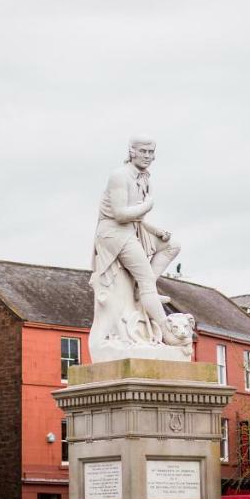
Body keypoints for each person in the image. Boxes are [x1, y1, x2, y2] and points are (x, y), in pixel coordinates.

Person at [88, 137, 184, 353]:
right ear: (131, 151)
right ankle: (166, 331)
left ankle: (143, 290)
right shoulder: (119, 176)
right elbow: (121, 214)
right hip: (114, 234)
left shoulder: (144, 178)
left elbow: (136, 216)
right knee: (147, 278)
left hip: (132, 230)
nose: (148, 156)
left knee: (172, 245)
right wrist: (148, 205)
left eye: (151, 152)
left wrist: (155, 230)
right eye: (143, 151)